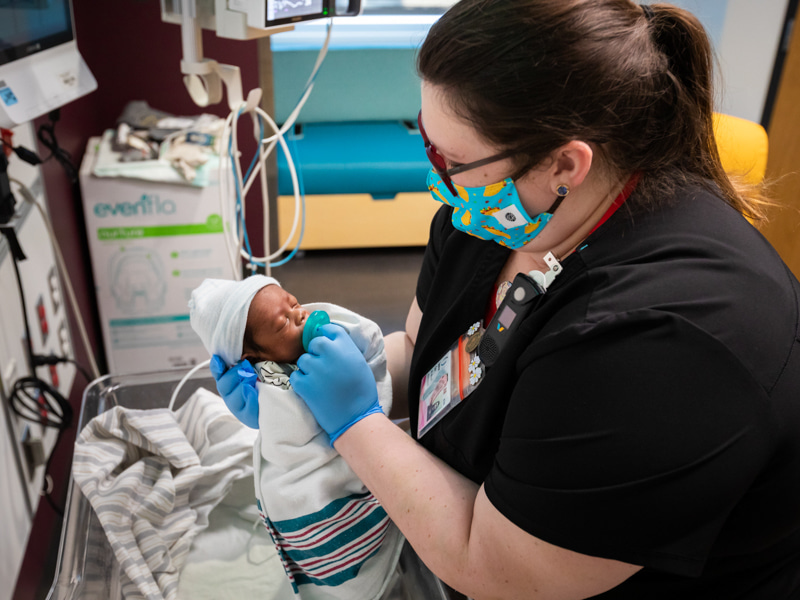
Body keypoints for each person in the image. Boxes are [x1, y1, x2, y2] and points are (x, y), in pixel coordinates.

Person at [210, 1, 800, 598]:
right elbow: (426, 349)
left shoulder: (665, 338)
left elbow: (495, 565)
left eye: (457, 162)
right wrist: (299, 388)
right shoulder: (491, 222)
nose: (437, 183)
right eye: (427, 143)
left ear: (564, 165)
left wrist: (354, 424)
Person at [188, 276, 404, 600]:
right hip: (309, 489)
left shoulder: (326, 347)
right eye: (283, 324)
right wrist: (263, 413)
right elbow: (289, 440)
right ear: (255, 357)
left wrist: (359, 407)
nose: (299, 315)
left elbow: (370, 344)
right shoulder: (271, 386)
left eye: (294, 303)